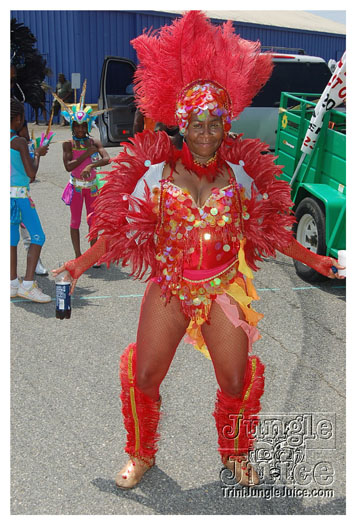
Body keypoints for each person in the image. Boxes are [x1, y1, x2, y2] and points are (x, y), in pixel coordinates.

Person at [52, 12, 345, 489]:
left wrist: (314, 259)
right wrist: (81, 263)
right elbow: (122, 232)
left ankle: (234, 453)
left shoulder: (241, 175)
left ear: (225, 123)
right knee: (145, 376)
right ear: (181, 124)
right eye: (196, 123)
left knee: (235, 382)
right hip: (170, 286)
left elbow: (269, 230)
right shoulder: (157, 173)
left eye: (214, 123)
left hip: (225, 287)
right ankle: (141, 454)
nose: (206, 132)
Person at [52, 81, 110, 259]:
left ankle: (92, 255)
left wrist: (92, 165)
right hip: (76, 188)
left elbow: (107, 159)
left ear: (87, 125)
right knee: (75, 221)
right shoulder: (68, 145)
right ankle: (78, 255)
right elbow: (68, 166)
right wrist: (87, 156)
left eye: (83, 125)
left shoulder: (94, 142)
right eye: (76, 125)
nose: (79, 129)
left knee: (93, 221)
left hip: (92, 187)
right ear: (71, 127)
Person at [11, 98, 50, 302]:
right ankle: (27, 283)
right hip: (20, 197)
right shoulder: (18, 142)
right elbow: (31, 173)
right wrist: (38, 154)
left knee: (10, 241)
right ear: (18, 119)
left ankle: (11, 283)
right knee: (37, 236)